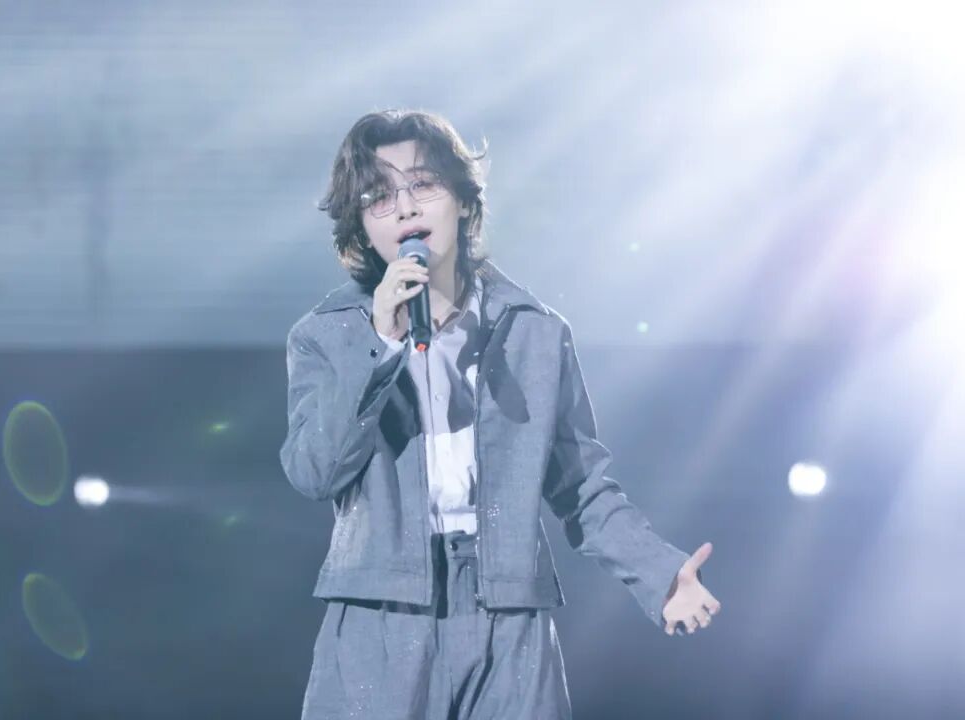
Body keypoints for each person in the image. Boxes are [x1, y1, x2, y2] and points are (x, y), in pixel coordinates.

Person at [280, 109, 721, 720]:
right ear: (361, 226)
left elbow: (581, 485)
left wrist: (660, 574)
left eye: (422, 184)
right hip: (381, 609)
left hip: (507, 609)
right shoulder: (327, 336)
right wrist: (379, 343)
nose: (404, 208)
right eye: (378, 197)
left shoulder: (534, 333)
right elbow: (314, 471)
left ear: (463, 200)